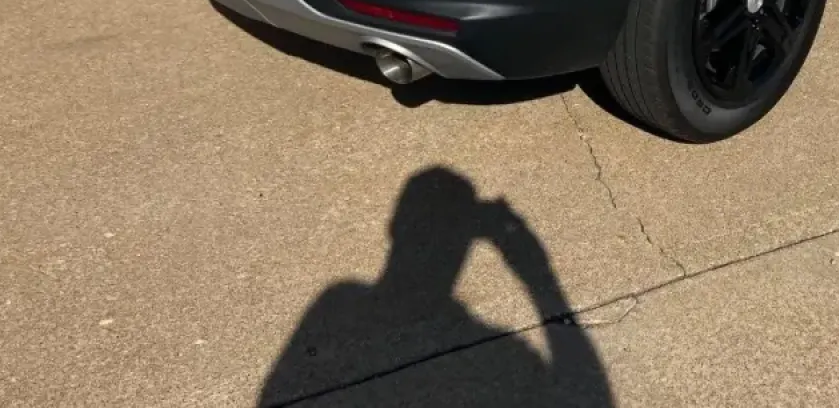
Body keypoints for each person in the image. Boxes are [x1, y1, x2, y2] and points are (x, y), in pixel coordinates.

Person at [260, 167, 614, 407]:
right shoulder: (507, 353)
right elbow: (593, 395)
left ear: (394, 227)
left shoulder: (337, 303)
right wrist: (538, 276)